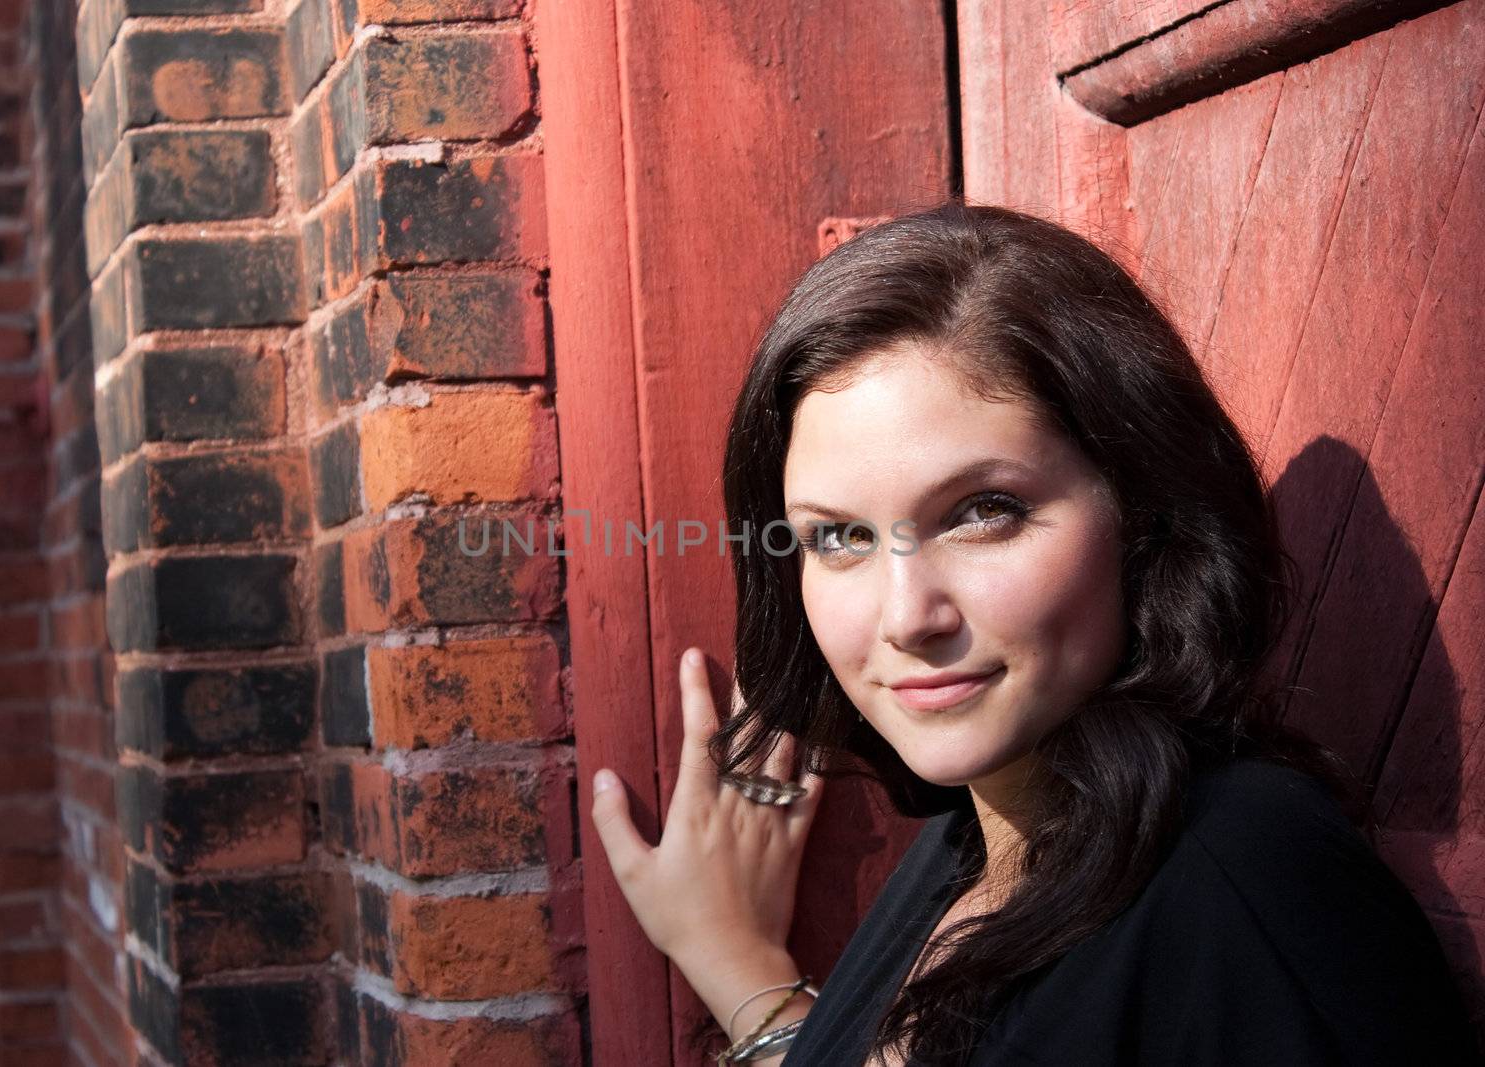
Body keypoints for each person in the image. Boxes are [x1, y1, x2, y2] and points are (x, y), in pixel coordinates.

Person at [587, 201, 1479, 1065]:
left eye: (983, 512)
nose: (907, 616)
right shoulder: (975, 843)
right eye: (841, 536)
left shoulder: (1245, 884)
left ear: (1144, 511)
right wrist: (737, 963)